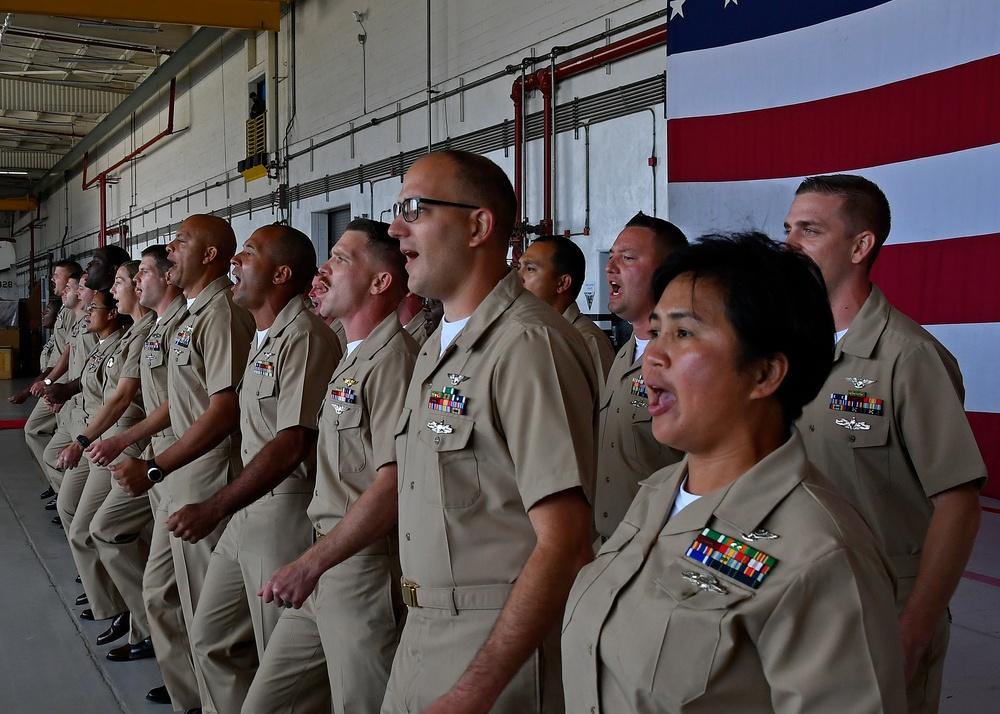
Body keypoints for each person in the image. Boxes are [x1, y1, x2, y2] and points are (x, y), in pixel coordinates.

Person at [562, 232, 908, 713]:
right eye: (656, 331)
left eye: (683, 333)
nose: (654, 356)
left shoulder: (821, 556)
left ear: (765, 373)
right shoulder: (658, 493)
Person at [381, 150, 598, 713]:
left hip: (493, 648)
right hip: (421, 629)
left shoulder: (528, 345)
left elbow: (565, 542)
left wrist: (474, 691)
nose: (394, 227)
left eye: (414, 209)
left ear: (479, 225)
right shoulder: (439, 344)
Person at [783, 174, 987, 712]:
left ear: (860, 245)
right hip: (791, 597)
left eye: (809, 230)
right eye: (788, 230)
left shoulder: (909, 357)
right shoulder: (784, 351)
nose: (790, 245)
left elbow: (959, 504)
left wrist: (915, 628)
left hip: (876, 607)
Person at [247, 219, 418, 713]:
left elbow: (391, 485)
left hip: (360, 571)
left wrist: (311, 564)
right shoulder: (351, 357)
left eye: (341, 259)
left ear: (380, 282)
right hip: (324, 559)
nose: (324, 268)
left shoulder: (394, 363)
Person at [173, 224, 342, 714]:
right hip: (246, 505)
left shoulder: (305, 336)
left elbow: (292, 443)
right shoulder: (266, 338)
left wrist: (215, 505)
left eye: (247, 254)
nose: (235, 263)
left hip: (282, 510)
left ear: (282, 273)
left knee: (278, 655)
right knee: (209, 638)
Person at [109, 214, 255, 714]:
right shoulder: (194, 315)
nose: (170, 250)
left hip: (204, 468)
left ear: (209, 254)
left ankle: (210, 702)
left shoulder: (221, 315)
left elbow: (223, 408)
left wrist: (152, 465)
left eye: (180, 242)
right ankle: (191, 696)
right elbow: (177, 398)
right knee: (164, 594)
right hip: (177, 466)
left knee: (206, 612)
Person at [88, 245, 193, 703]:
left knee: (183, 586)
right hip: (156, 455)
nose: (114, 292)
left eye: (134, 276)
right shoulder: (156, 329)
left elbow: (187, 404)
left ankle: (187, 679)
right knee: (166, 582)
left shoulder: (185, 325)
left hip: (176, 460)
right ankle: (172, 665)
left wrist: (104, 441)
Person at [595, 212, 687, 540]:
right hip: (611, 544)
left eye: (628, 257)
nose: (610, 266)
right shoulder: (624, 353)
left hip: (658, 543)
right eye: (613, 254)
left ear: (667, 272)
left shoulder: (684, 359)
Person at [54, 284, 135, 628]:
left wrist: (84, 441)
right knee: (75, 514)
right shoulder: (106, 345)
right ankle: (107, 594)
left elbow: (120, 400)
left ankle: (120, 606)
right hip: (95, 436)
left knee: (97, 528)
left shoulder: (127, 340)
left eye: (94, 308)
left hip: (114, 443)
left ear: (113, 313)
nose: (88, 314)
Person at [518, 234, 615, 380]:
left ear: (562, 283)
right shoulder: (532, 333)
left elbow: (604, 401)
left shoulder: (588, 342)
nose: (518, 276)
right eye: (519, 267)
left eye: (530, 269)